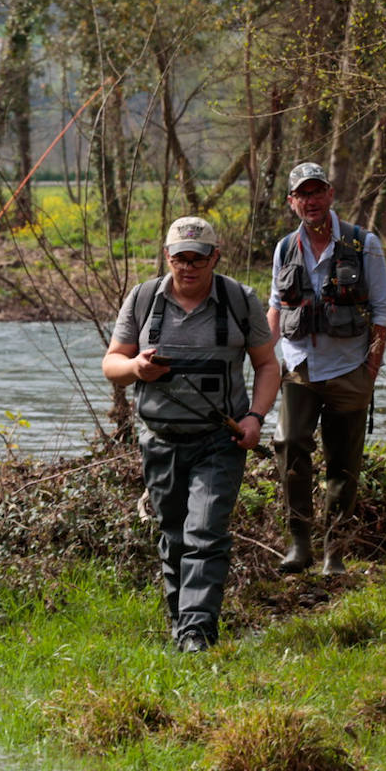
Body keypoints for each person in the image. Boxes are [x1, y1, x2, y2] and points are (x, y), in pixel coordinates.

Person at [103, 215, 281, 653]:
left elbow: (267, 365)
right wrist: (136, 368)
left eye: (198, 258)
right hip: (160, 440)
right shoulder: (144, 299)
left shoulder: (241, 300)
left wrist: (255, 417)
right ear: (167, 256)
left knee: (206, 531)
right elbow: (112, 364)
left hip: (220, 440)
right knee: (174, 535)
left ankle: (197, 636)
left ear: (214, 257)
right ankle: (180, 623)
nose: (188, 267)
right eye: (180, 258)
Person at [267, 162, 386, 576]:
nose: (311, 201)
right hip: (299, 368)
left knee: (344, 465)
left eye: (317, 191)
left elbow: (381, 313)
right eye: (302, 194)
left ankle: (333, 553)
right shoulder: (285, 248)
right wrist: (263, 360)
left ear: (331, 194)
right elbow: (275, 309)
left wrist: (369, 373)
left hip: (349, 368)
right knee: (289, 447)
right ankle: (299, 544)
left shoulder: (363, 243)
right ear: (292, 202)